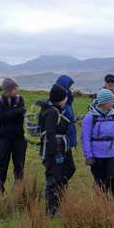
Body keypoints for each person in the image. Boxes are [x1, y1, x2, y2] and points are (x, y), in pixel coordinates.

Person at [81, 88, 114, 205]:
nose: (113, 103)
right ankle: (101, 204)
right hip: (97, 155)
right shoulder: (90, 117)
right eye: (111, 101)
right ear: (103, 102)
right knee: (100, 181)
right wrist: (88, 155)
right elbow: (85, 137)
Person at [39, 84, 70, 217]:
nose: (66, 100)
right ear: (60, 99)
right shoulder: (51, 112)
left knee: (64, 173)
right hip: (52, 152)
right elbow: (50, 133)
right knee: (53, 179)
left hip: (59, 149)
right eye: (65, 98)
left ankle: (57, 201)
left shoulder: (54, 110)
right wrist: (56, 152)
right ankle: (51, 211)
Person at [0, 77, 26, 192]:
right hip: (4, 139)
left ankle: (18, 190)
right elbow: (1, 118)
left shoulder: (19, 99)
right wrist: (16, 113)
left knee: (19, 164)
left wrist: (9, 115)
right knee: (2, 164)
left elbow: (22, 112)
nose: (17, 91)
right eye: (15, 89)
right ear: (8, 90)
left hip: (19, 138)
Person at [55, 75, 77, 191]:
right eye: (70, 87)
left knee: (66, 168)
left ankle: (60, 188)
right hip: (60, 142)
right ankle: (56, 188)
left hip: (66, 140)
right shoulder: (60, 104)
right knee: (68, 168)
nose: (72, 89)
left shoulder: (67, 102)